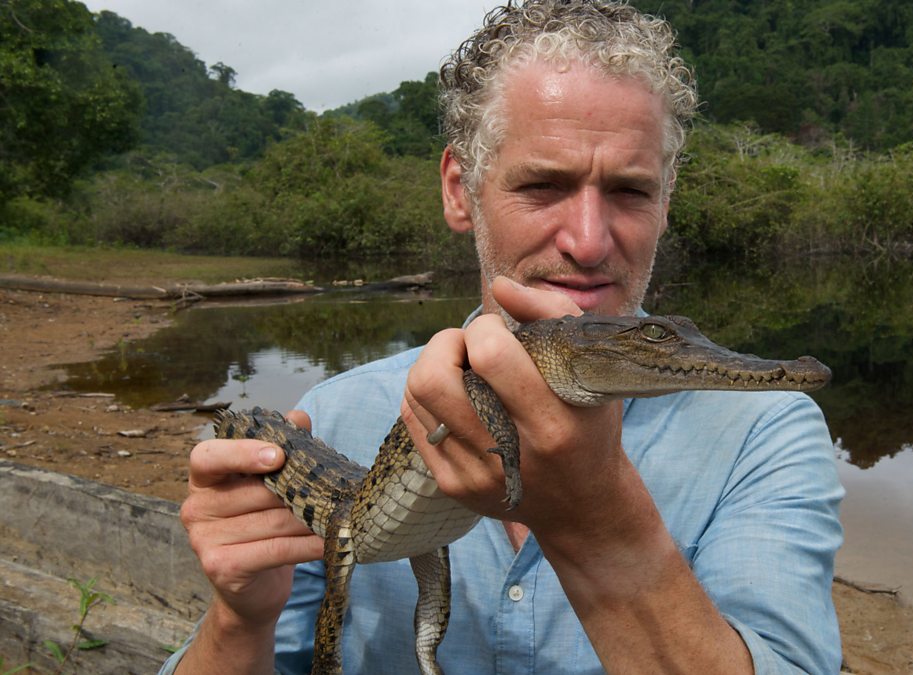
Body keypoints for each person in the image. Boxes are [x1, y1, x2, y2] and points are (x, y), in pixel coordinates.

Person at [161, 1, 844, 673]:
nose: (587, 241)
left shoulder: (767, 431)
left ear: (666, 201)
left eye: (630, 191)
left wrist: (598, 521)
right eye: (544, 184)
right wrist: (237, 621)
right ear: (461, 190)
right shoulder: (337, 413)